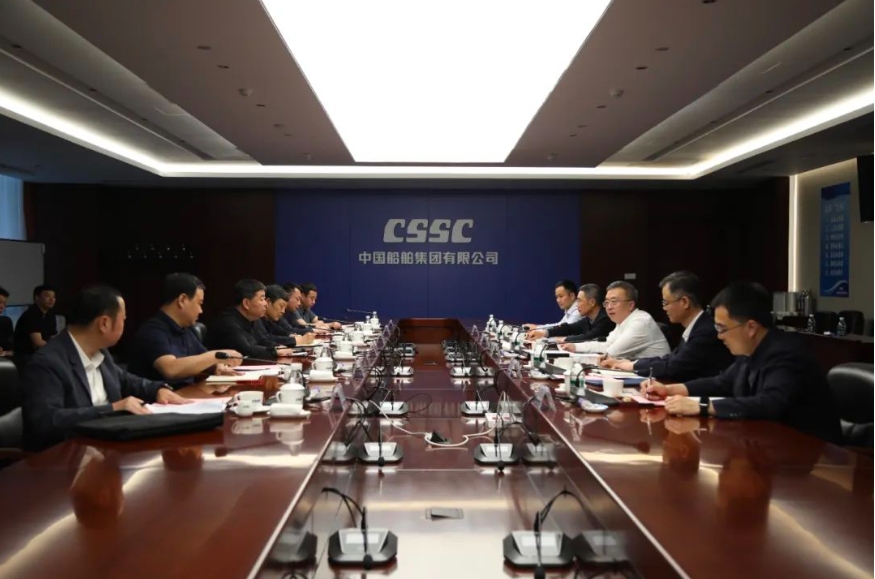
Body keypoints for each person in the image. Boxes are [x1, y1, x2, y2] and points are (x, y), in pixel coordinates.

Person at [641, 282, 841, 443]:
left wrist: (701, 406)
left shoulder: (786, 354)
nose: (719, 336)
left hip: (807, 452)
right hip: (768, 442)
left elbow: (770, 403)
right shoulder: (750, 350)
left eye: (722, 329)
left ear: (751, 327)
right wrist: (670, 390)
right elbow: (722, 383)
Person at [21, 284, 189, 451]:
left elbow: (125, 380)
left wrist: (158, 389)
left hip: (106, 448)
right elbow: (46, 421)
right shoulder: (47, 363)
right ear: (104, 323)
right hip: (66, 457)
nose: (124, 325)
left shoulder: (100, 352)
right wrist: (113, 409)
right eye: (123, 319)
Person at [601, 272, 732, 382]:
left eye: (665, 302)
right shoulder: (695, 327)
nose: (664, 308)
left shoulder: (705, 331)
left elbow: (674, 367)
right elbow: (670, 358)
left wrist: (630, 366)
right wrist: (628, 364)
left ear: (684, 302)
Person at [127, 273, 243, 386]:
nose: (201, 310)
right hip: (161, 397)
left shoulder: (185, 329)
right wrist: (216, 356)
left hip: (185, 395)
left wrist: (217, 366)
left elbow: (202, 358)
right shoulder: (152, 331)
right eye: (199, 303)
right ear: (182, 300)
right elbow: (171, 369)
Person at [561, 281, 670, 359]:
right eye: (607, 302)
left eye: (614, 301)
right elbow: (607, 345)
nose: (609, 307)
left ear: (631, 305)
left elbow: (611, 353)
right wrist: (574, 346)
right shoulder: (622, 322)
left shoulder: (640, 322)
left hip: (660, 380)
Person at [206, 279, 295, 359]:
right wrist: (275, 351)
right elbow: (247, 349)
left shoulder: (252, 319)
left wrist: (278, 347)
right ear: (246, 303)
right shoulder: (228, 323)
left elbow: (262, 340)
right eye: (262, 299)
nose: (266, 304)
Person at [527, 284, 613, 343]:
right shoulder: (588, 319)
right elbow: (568, 328)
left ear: (592, 302)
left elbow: (588, 337)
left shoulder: (605, 319)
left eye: (579, 301)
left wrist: (564, 339)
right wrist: (544, 333)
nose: (577, 305)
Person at [13, 284, 58, 356]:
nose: (52, 299)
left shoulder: (50, 315)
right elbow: (38, 342)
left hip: (42, 353)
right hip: (25, 355)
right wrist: (56, 347)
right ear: (37, 298)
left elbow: (52, 337)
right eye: (48, 296)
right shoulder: (31, 314)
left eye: (54, 297)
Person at [0, 286, 13, 355]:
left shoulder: (6, 322)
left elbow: (10, 347)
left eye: (4, 304)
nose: (2, 306)